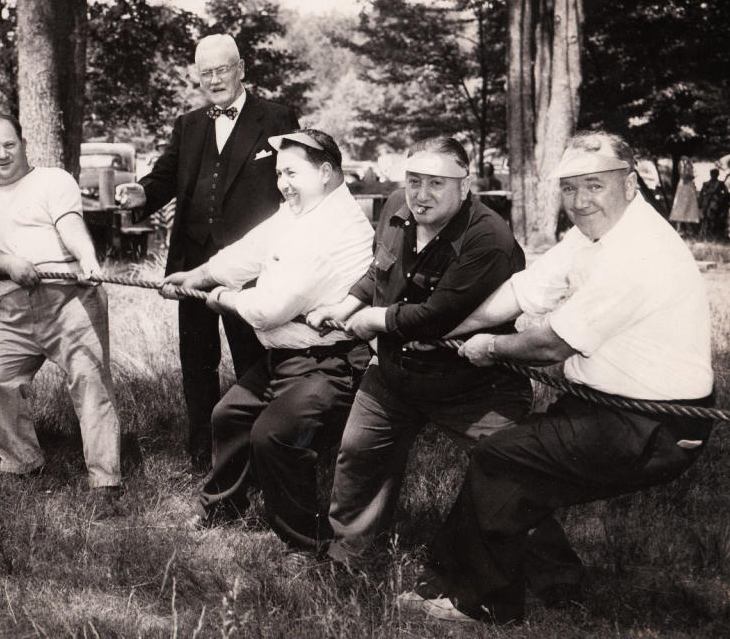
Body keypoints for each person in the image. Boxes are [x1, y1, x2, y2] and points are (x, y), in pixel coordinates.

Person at [402, 131, 713, 624]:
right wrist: (452, 327)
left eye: (595, 185)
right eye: (570, 188)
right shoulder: (594, 234)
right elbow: (526, 291)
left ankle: (484, 603)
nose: (581, 201)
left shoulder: (638, 252)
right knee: (518, 466)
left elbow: (551, 344)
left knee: (500, 459)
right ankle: (546, 584)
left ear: (630, 184)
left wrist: (490, 346)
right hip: (606, 404)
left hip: (654, 424)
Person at [308, 137, 579, 602]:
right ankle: (346, 559)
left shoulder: (488, 239)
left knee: (509, 480)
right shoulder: (395, 207)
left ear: (466, 185)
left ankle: (559, 584)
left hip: (472, 385)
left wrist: (370, 319)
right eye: (414, 181)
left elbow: (439, 316)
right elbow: (379, 270)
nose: (421, 194)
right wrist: (348, 303)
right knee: (358, 459)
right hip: (394, 374)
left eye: (437, 183)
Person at [164, 129, 373, 549]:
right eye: (279, 173)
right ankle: (223, 508)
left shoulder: (335, 227)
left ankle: (305, 543)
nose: (283, 183)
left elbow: (270, 309)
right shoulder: (300, 211)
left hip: (330, 363)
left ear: (327, 173)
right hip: (286, 355)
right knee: (229, 416)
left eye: (292, 172)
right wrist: (197, 276)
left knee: (274, 436)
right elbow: (250, 250)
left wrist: (224, 299)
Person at [116, 34, 299, 469]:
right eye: (206, 73)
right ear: (197, 77)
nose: (215, 79)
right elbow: (163, 178)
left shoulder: (277, 118)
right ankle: (202, 454)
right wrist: (139, 192)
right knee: (197, 363)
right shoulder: (189, 124)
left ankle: (255, 452)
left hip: (252, 270)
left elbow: (296, 183)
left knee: (253, 361)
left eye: (222, 69)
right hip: (192, 266)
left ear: (241, 69)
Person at [0, 114, 121, 488]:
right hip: (13, 303)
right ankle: (24, 465)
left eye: (9, 145)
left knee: (90, 382)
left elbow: (70, 225)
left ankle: (106, 481)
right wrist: (10, 264)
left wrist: (88, 260)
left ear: (23, 144)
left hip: (70, 296)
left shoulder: (54, 180)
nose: (2, 155)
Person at [669, 156, 700, 235]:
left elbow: (690, 176)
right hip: (684, 187)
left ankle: (688, 227)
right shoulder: (681, 165)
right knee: (681, 205)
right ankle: (679, 227)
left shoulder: (690, 166)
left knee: (689, 205)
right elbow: (684, 176)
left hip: (689, 187)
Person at [698, 168, 729, 241]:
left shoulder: (720, 184)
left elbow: (726, 193)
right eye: (713, 174)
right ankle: (706, 232)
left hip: (716, 203)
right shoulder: (706, 183)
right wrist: (701, 202)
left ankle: (713, 232)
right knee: (706, 218)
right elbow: (702, 194)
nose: (714, 176)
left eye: (715, 174)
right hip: (707, 203)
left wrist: (720, 197)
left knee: (712, 217)